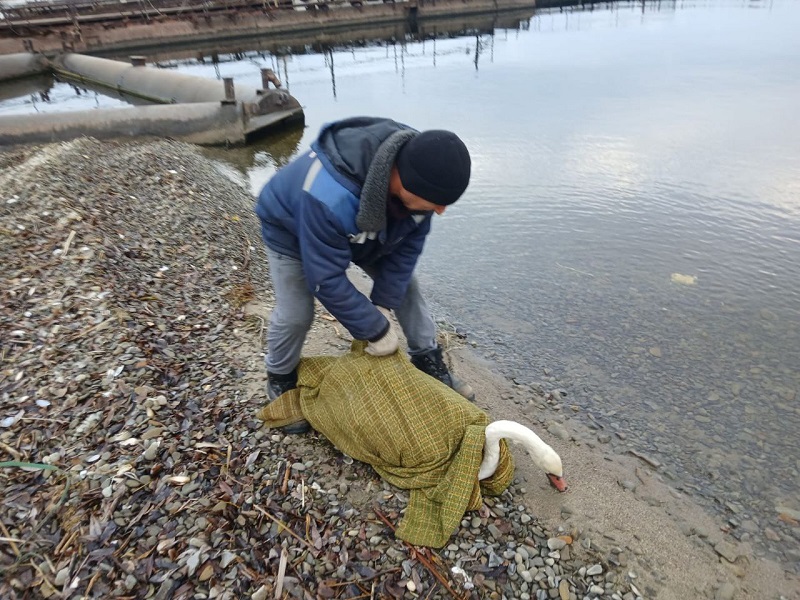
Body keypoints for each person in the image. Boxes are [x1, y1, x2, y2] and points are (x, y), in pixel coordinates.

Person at [255, 116, 474, 434]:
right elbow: (325, 279)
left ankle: (428, 359)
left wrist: (383, 303)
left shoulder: (422, 175)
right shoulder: (328, 193)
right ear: (403, 180)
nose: (440, 211)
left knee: (406, 289)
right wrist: (375, 329)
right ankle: (279, 377)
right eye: (437, 203)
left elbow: (405, 254)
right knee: (296, 314)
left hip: (366, 226)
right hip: (290, 226)